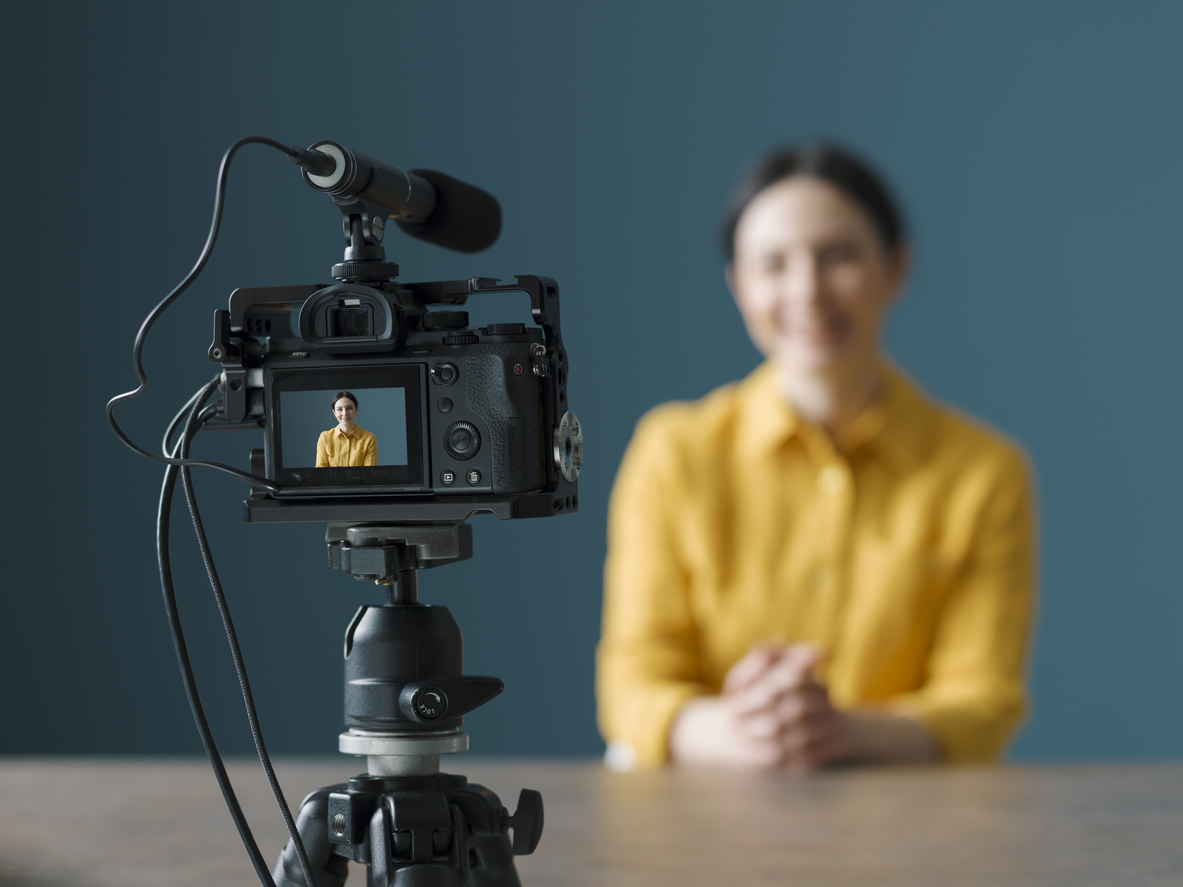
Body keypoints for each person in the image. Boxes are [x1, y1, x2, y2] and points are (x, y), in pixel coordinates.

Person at [596, 145, 1037, 771]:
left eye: (840, 256)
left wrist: (840, 732)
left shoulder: (985, 471)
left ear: (896, 270)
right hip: (709, 812)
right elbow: (633, 684)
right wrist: (745, 731)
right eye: (773, 264)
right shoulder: (673, 452)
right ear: (740, 287)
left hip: (909, 822)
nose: (806, 291)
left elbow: (983, 698)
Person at [316, 391, 377, 468]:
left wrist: (342, 476)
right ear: (334, 412)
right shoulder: (324, 438)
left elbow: (370, 475)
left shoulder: (369, 438)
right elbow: (320, 474)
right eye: (339, 409)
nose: (345, 413)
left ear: (356, 410)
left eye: (349, 408)